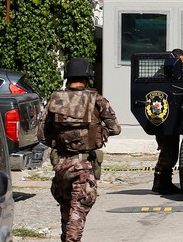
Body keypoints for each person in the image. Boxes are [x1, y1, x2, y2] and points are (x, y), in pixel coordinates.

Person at [39, 58, 121, 242]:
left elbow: (41, 135)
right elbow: (115, 128)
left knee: (67, 208)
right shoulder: (97, 100)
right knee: (79, 209)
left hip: (61, 164)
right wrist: (97, 132)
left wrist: (61, 142)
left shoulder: (55, 99)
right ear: (88, 76)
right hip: (83, 164)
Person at [152, 48, 183, 195]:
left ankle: (164, 182)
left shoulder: (175, 75)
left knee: (171, 152)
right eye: (180, 63)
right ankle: (160, 182)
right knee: (168, 153)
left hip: (172, 121)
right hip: (164, 121)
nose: (182, 66)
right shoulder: (162, 76)